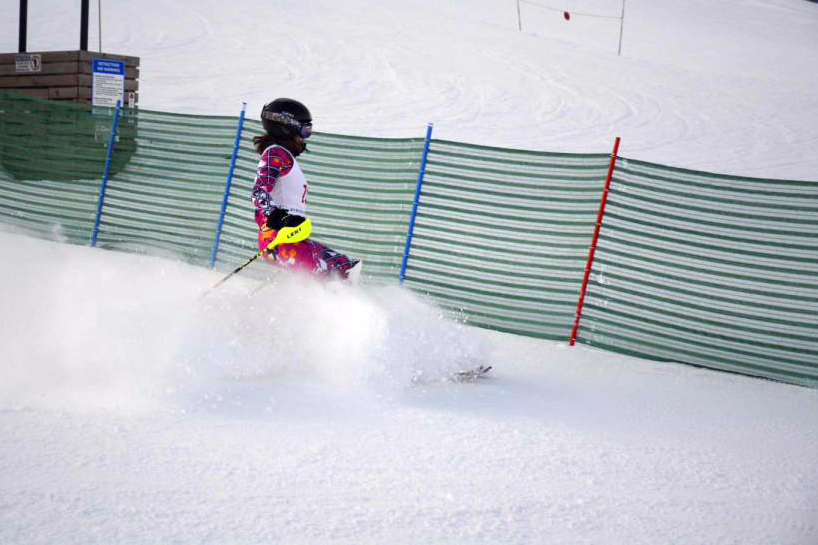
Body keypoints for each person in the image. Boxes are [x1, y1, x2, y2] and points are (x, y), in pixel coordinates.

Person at [251, 98, 361, 282]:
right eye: (304, 130)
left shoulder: (286, 158)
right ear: (287, 128)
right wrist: (277, 216)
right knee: (332, 279)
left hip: (292, 238)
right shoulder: (276, 154)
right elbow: (259, 191)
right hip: (279, 241)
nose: (305, 137)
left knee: (345, 267)